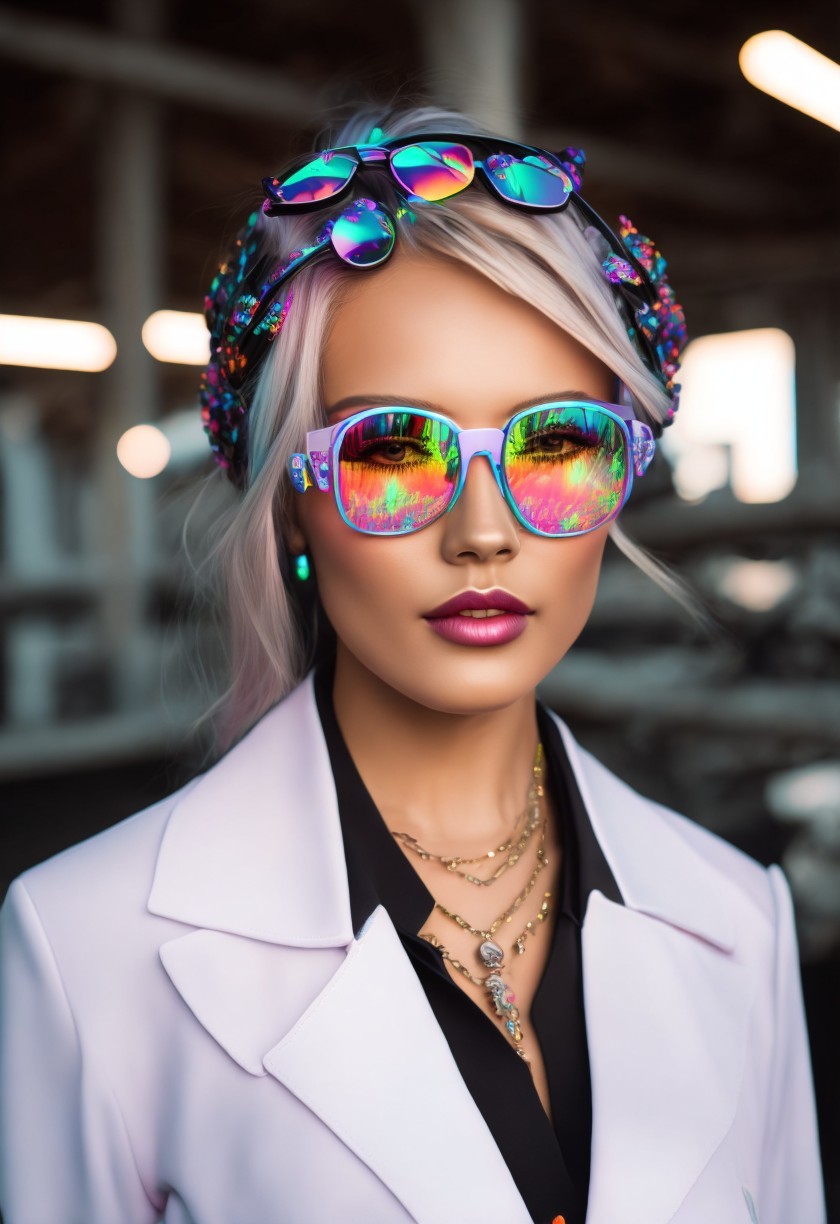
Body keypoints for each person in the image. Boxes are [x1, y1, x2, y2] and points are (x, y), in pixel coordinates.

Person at [0, 104, 826, 1224]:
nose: (483, 531)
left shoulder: (739, 919)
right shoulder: (86, 950)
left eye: (557, 442)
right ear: (293, 505)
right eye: (393, 447)